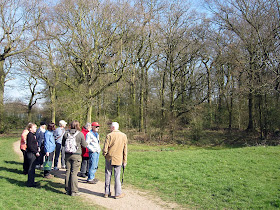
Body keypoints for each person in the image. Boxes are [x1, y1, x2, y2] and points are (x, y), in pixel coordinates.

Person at [102, 122, 127, 199]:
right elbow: (125, 149)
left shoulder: (109, 135)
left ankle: (106, 192)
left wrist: (105, 155)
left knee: (108, 174)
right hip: (119, 158)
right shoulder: (123, 136)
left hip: (109, 157)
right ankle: (117, 193)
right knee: (117, 176)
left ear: (112, 128)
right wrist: (125, 160)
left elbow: (105, 148)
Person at [62, 120, 87, 196]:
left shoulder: (66, 134)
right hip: (76, 154)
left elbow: (63, 144)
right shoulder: (80, 134)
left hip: (67, 155)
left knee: (68, 171)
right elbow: (84, 145)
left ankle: (67, 190)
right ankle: (74, 191)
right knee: (74, 173)